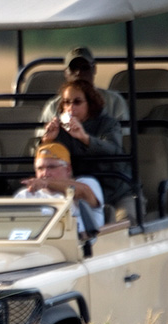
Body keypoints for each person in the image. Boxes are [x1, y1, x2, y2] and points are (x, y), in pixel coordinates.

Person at [38, 78, 135, 220]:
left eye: (77, 102)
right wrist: (47, 141)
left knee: (125, 222)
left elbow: (112, 150)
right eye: (66, 102)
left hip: (115, 193)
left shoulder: (108, 124)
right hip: (79, 194)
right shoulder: (60, 130)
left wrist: (84, 138)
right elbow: (43, 161)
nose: (71, 107)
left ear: (90, 104)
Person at [16, 143, 104, 233]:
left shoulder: (87, 183)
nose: (45, 173)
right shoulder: (25, 195)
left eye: (51, 167)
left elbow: (83, 192)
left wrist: (46, 183)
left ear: (68, 169)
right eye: (40, 168)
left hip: (85, 244)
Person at [39, 46, 129, 123]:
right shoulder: (53, 106)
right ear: (66, 73)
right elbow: (42, 140)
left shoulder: (114, 101)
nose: (79, 72)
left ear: (94, 69)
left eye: (84, 67)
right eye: (73, 68)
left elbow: (122, 138)